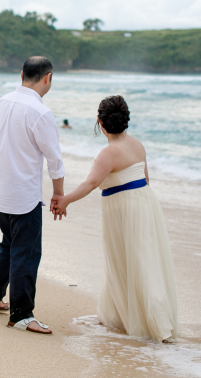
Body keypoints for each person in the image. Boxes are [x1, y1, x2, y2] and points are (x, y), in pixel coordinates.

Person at [51, 96, 178, 343]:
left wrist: (64, 200)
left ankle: (156, 324)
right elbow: (146, 178)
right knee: (139, 259)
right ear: (125, 120)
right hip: (143, 202)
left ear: (100, 122)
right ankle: (120, 314)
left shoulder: (108, 153)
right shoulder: (137, 144)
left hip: (123, 208)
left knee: (132, 261)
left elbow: (91, 183)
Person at [0, 56, 64, 334]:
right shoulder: (40, 112)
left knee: (9, 243)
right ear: (47, 78)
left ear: (22, 73)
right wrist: (58, 194)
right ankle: (21, 315)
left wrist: (3, 179)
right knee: (26, 252)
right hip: (24, 194)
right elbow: (55, 160)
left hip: (1, 190)